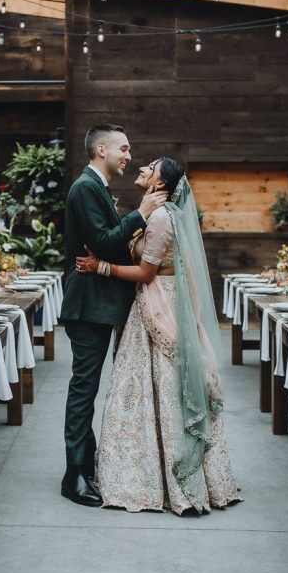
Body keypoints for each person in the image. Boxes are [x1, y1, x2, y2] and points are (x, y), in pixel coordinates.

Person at [76, 157, 241, 514]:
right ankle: (145, 468)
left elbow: (147, 272)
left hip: (158, 303)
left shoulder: (164, 217)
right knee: (145, 389)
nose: (140, 167)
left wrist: (100, 266)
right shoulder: (156, 213)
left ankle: (159, 477)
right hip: (153, 303)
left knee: (159, 388)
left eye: (149, 168)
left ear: (162, 183)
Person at [59, 124, 169, 507]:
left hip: (101, 301)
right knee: (83, 388)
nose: (128, 156)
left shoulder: (96, 188)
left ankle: (84, 463)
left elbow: (109, 243)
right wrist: (141, 213)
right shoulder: (85, 188)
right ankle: (74, 474)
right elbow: (105, 242)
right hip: (89, 303)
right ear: (101, 149)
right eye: (123, 149)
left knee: (86, 387)